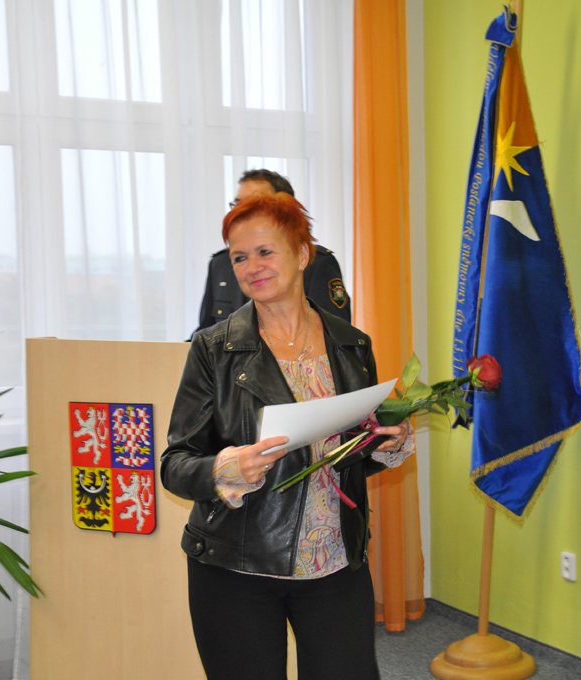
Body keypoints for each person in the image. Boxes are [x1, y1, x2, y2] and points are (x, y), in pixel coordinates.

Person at [161, 192, 412, 680]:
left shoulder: (352, 344)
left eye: (264, 251)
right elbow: (176, 464)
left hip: (335, 563)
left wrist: (387, 442)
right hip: (235, 567)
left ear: (301, 254)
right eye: (239, 257)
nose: (251, 266)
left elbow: (350, 451)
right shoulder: (212, 349)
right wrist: (224, 468)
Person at [196, 169, 351, 333]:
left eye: (256, 203)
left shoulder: (316, 263)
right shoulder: (220, 264)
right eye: (238, 204)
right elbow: (206, 331)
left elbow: (336, 333)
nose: (244, 211)